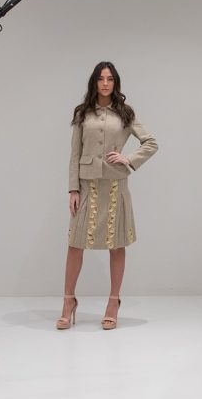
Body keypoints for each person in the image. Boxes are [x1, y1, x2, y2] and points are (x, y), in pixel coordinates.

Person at [57, 61, 158, 330]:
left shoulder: (125, 113)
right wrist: (73, 188)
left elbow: (151, 142)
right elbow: (75, 154)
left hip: (115, 185)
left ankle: (113, 302)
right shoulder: (82, 113)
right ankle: (68, 301)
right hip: (87, 185)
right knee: (75, 244)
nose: (105, 83)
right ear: (94, 82)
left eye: (110, 79)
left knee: (117, 244)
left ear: (115, 83)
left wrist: (128, 159)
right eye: (101, 79)